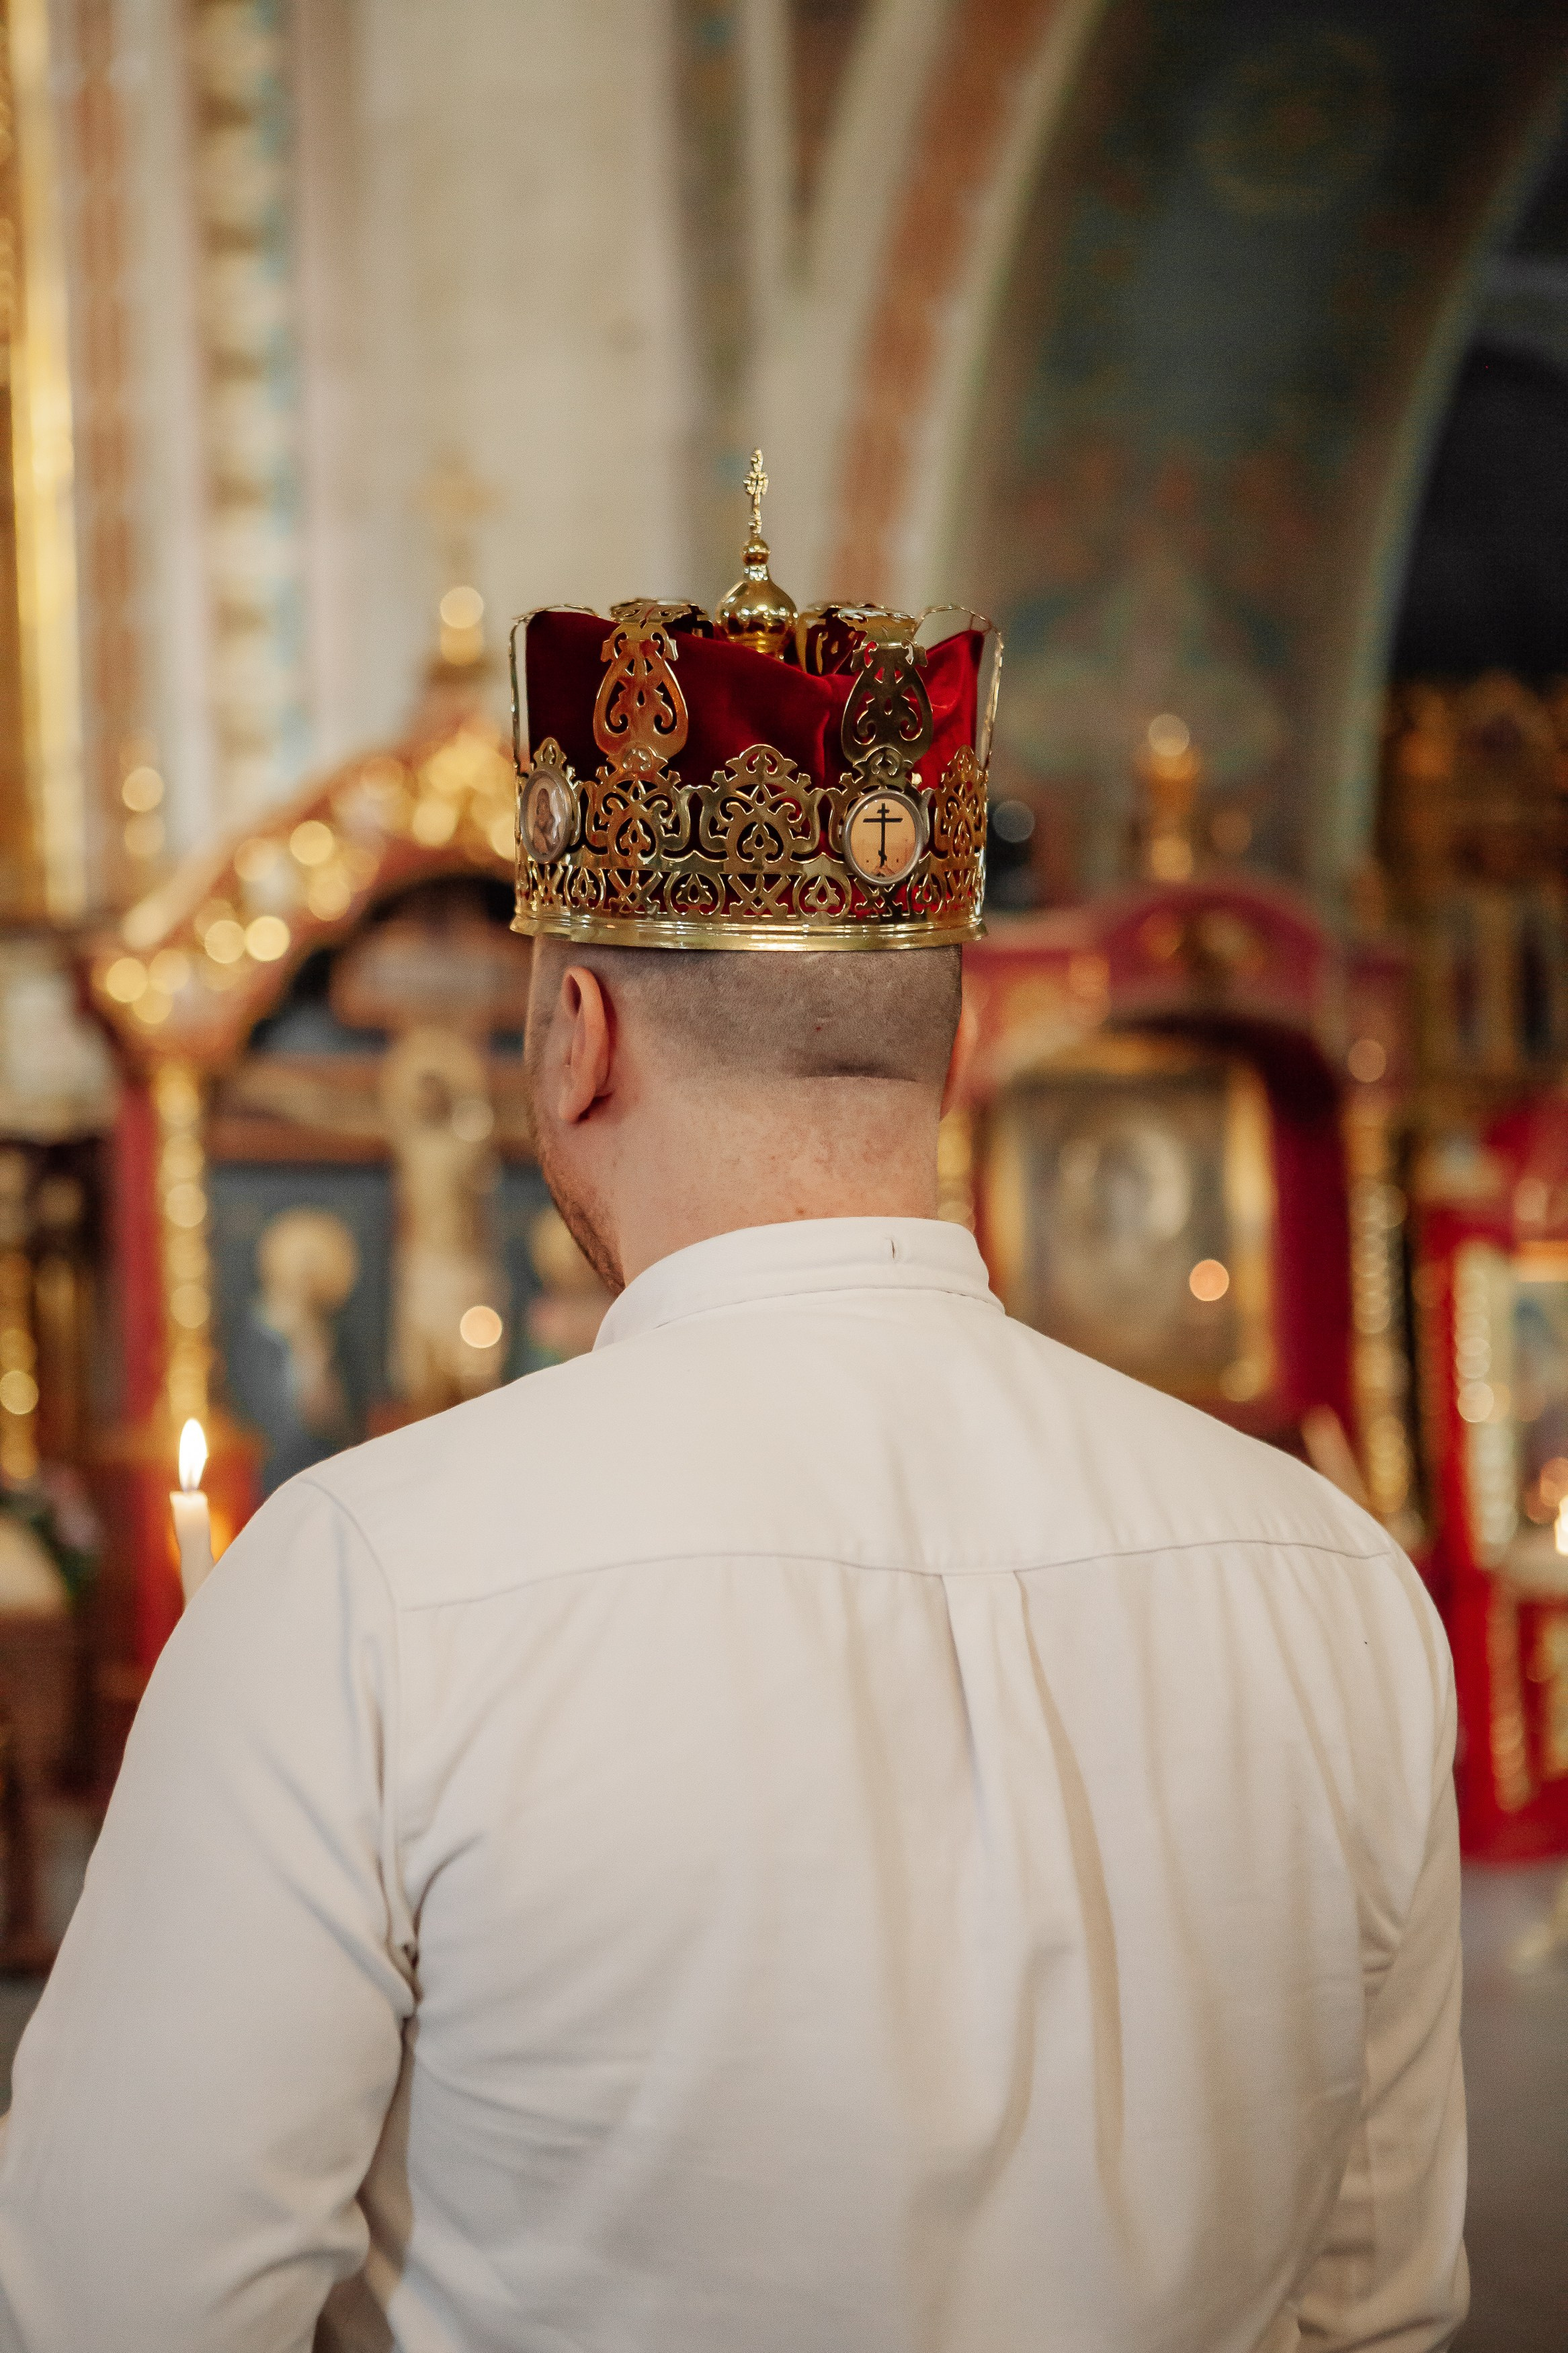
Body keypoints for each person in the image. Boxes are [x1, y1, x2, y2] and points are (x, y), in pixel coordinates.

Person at [0, 487, 1465, 2353]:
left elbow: (120, 2305)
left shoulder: (366, 1588)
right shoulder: (1334, 1577)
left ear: (576, 1036)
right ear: (942, 1045)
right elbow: (1383, 2309)